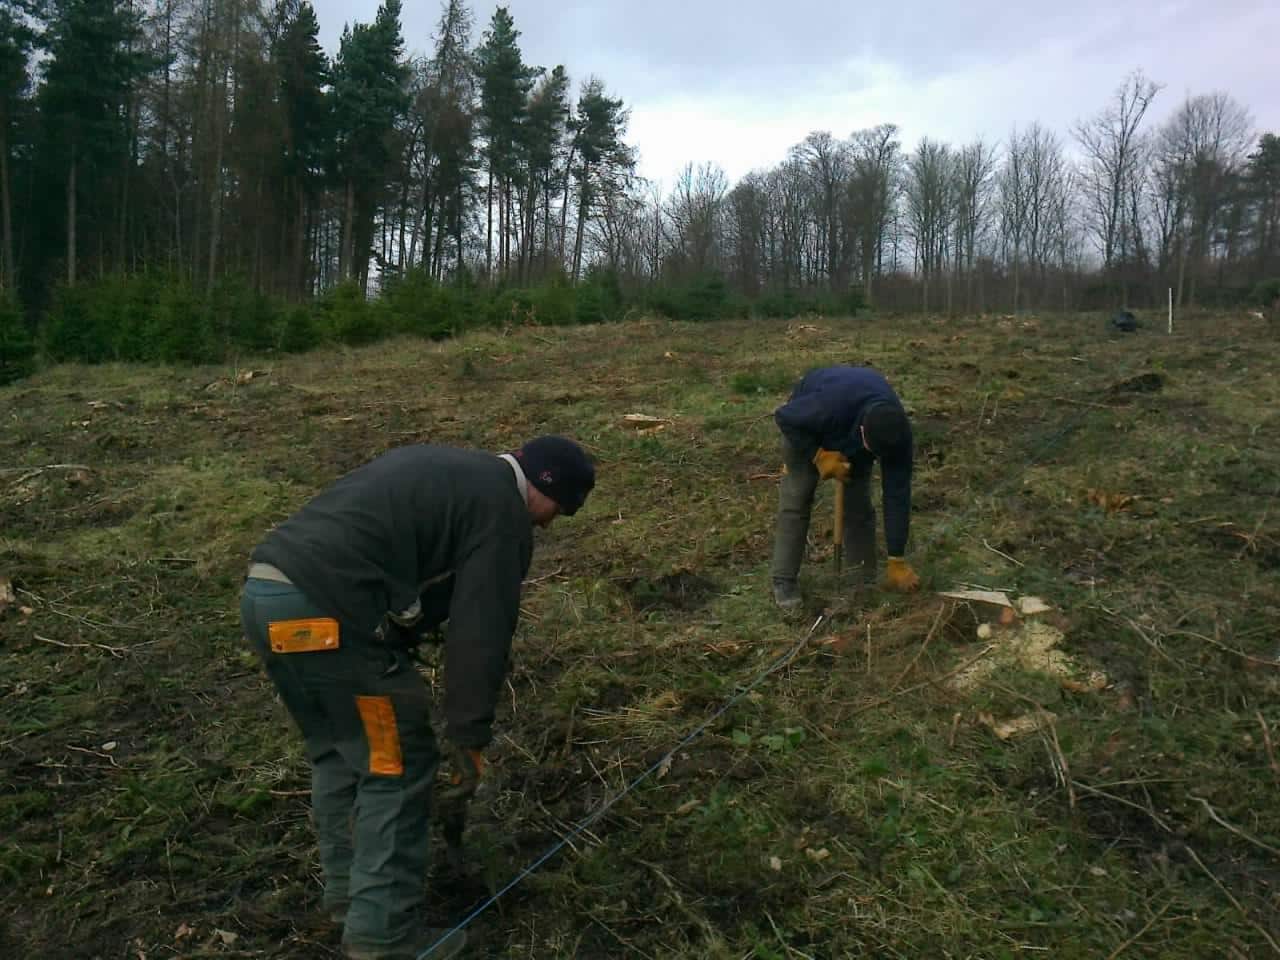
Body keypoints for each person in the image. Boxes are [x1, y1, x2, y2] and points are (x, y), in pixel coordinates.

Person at [239, 436, 595, 960]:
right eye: (558, 511)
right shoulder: (503, 511)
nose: (547, 525)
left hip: (266, 599)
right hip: (328, 617)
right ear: (545, 485)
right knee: (397, 765)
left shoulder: (448, 467)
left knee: (341, 751)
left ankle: (347, 900)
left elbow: (384, 549)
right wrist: (468, 736)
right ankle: (381, 939)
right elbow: (481, 634)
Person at [770, 365, 921, 609]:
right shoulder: (828, 405)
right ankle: (783, 580)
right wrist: (818, 455)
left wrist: (897, 558)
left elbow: (897, 494)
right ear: (862, 431)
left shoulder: (896, 434)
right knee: (797, 498)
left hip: (853, 432)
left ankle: (860, 581)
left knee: (858, 507)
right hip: (806, 430)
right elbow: (785, 417)